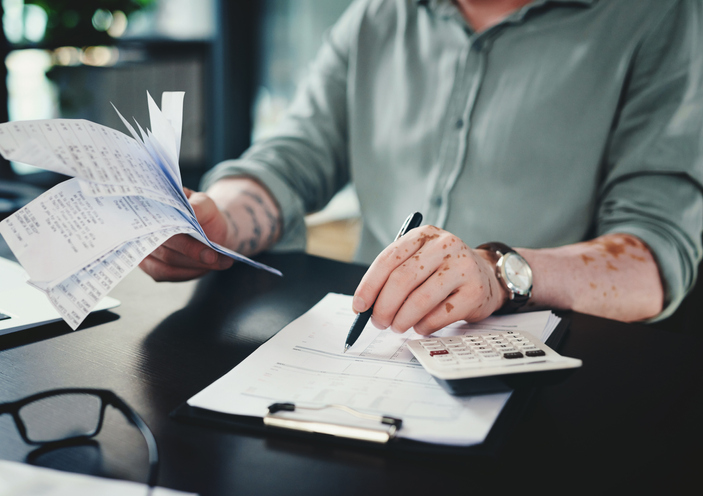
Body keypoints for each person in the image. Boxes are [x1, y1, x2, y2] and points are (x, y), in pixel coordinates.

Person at [139, 0, 703, 335]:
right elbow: (295, 153)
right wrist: (223, 220)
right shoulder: (378, 13)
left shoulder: (659, 16)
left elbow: (654, 256)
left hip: (556, 380)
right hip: (379, 348)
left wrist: (497, 274)